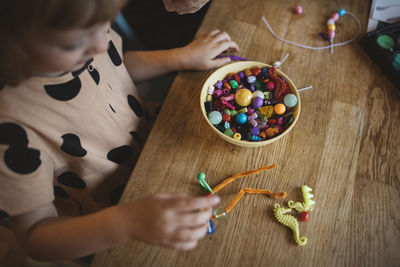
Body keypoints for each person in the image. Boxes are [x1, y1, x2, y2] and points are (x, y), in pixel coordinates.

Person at [0, 0, 239, 261]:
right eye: (73, 44)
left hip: (157, 148)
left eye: (106, 25)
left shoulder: (85, 33)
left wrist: (181, 56)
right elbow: (36, 238)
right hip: (112, 223)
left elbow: (116, 64)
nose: (100, 45)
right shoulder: (9, 128)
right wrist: (124, 223)